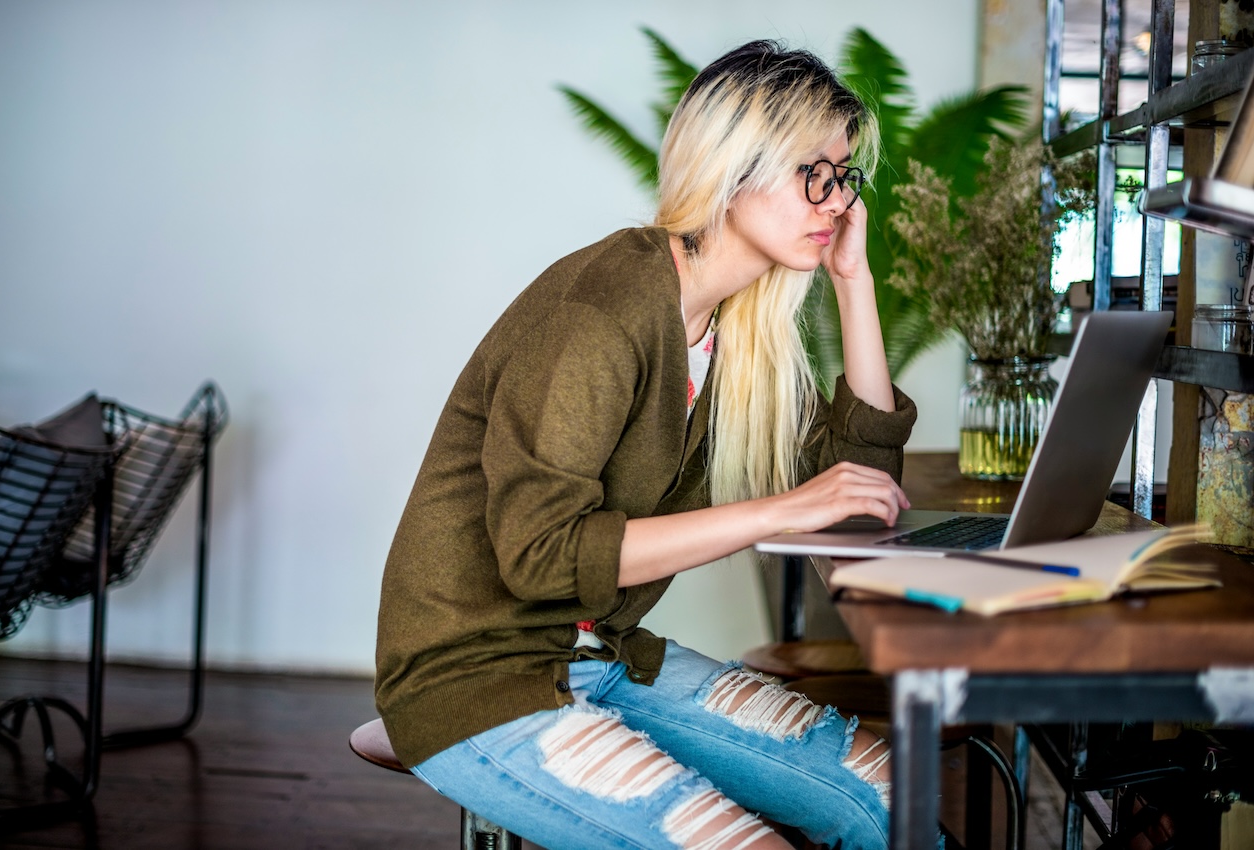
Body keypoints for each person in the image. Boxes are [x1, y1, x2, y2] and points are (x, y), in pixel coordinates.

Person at [375, 39, 917, 850]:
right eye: (817, 174)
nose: (837, 201)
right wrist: (784, 508)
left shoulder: (740, 329)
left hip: (604, 654)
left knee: (891, 797)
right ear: (736, 167)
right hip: (479, 671)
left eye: (845, 179)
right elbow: (540, 555)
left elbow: (859, 491)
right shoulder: (602, 312)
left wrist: (854, 284)